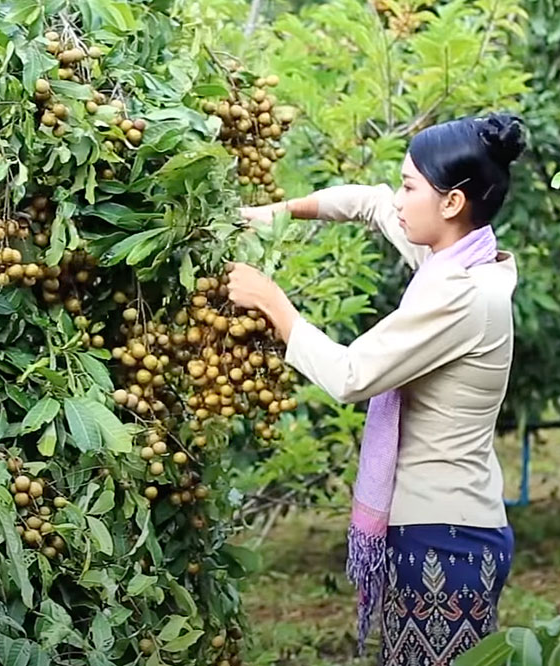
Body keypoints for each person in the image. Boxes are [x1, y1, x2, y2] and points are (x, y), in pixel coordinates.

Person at [225, 113, 526, 665]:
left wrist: (271, 301)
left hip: (446, 538)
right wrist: (275, 213)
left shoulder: (460, 294)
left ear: (452, 203)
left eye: (410, 187)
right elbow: (368, 202)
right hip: (447, 526)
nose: (400, 199)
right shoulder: (454, 258)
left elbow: (350, 376)